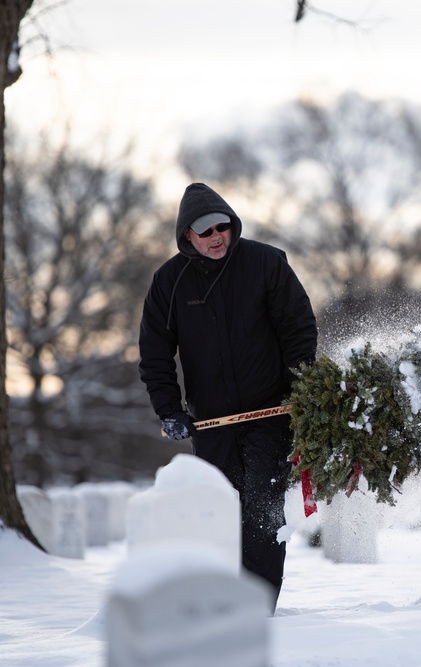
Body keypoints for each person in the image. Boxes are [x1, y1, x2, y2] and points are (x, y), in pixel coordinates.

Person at [138, 182, 318, 609]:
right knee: (223, 515)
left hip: (272, 414)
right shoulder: (168, 282)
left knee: (263, 513)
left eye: (223, 226)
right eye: (206, 231)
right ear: (187, 236)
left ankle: (257, 607)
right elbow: (155, 353)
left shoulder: (266, 263)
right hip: (213, 423)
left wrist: (299, 387)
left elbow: (298, 327)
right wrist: (169, 409)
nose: (218, 236)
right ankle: (225, 602)